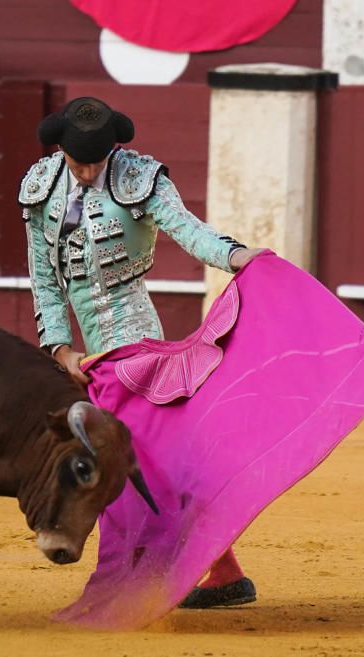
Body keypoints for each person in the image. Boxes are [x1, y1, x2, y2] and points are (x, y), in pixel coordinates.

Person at [19, 96, 265, 609]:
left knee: (128, 463)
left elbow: (189, 231)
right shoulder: (41, 187)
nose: (86, 172)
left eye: (96, 161)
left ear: (114, 149)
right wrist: (62, 352)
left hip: (136, 343)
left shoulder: (139, 178)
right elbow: (44, 280)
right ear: (60, 149)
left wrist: (238, 256)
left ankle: (136, 581)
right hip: (88, 358)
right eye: (76, 161)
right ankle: (223, 571)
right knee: (154, 462)